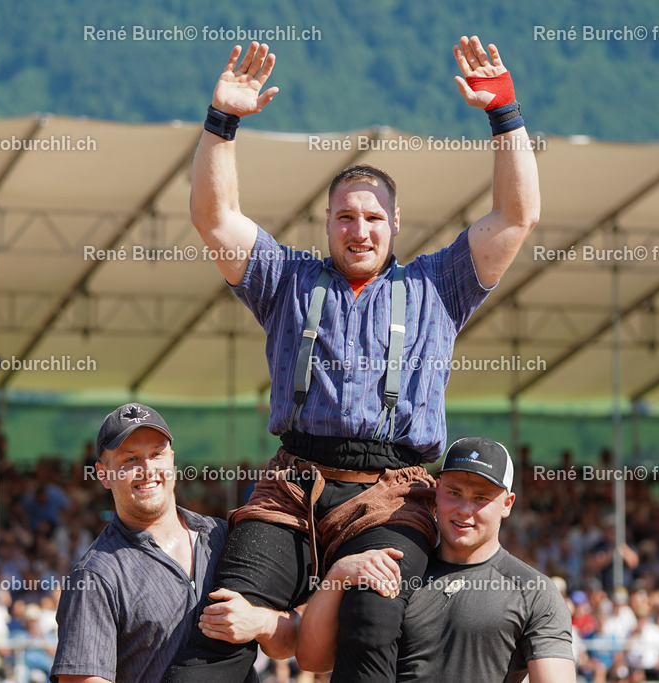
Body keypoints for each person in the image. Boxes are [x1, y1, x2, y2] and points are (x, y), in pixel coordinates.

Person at [166, 33, 539, 683]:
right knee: (222, 618)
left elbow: (517, 215)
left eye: (372, 217)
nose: (358, 229)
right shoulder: (287, 278)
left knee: (373, 609)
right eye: (344, 217)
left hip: (392, 492)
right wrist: (221, 123)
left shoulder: (437, 285)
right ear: (327, 223)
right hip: (295, 479)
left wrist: (503, 115)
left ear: (395, 224)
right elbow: (213, 216)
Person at [50, 403, 299, 683]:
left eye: (156, 454)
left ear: (172, 460)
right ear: (103, 474)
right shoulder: (95, 576)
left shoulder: (223, 536)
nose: (147, 469)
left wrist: (259, 622)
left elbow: (292, 642)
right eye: (129, 459)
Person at [295, 437, 575, 682]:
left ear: (507, 504)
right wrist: (338, 574)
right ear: (436, 491)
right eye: (454, 493)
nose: (465, 510)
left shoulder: (534, 591)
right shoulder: (394, 566)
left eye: (481, 498)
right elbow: (312, 660)